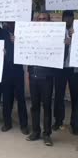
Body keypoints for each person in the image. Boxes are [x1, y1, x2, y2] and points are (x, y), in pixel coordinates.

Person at [0, 21, 29, 134]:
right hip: (6, 71)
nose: (10, 23)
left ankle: (24, 125)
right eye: (8, 21)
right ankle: (7, 123)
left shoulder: (23, 33)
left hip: (18, 71)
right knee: (7, 98)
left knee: (21, 99)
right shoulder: (3, 33)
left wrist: (19, 41)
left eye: (12, 21)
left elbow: (29, 46)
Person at [26, 12, 57, 146]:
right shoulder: (30, 37)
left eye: (45, 19)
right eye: (39, 19)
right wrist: (18, 40)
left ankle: (47, 134)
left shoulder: (54, 38)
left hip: (47, 77)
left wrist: (66, 44)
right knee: (34, 106)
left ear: (49, 21)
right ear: (36, 21)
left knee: (47, 106)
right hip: (33, 76)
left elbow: (62, 54)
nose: (42, 21)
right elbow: (23, 49)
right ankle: (35, 132)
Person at [53, 10, 78, 135]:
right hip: (61, 68)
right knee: (58, 96)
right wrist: (66, 44)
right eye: (66, 17)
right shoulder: (57, 31)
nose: (68, 20)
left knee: (75, 97)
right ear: (62, 19)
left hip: (74, 69)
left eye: (70, 18)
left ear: (73, 19)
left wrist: (74, 38)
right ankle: (58, 121)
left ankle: (75, 124)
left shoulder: (77, 31)